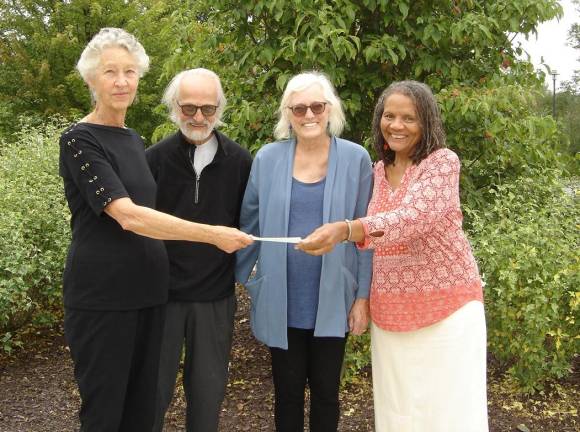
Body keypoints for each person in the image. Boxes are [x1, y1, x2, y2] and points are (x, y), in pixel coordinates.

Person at [58, 28, 252, 432]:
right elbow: (129, 215)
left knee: (141, 413)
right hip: (104, 298)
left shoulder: (130, 139)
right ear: (91, 78)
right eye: (110, 71)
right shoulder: (79, 139)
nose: (122, 81)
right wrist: (213, 234)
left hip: (148, 296)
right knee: (105, 412)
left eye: (130, 71)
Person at [298, 80, 488, 431]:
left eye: (409, 118)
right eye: (389, 116)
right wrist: (362, 297)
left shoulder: (442, 163)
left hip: (448, 310)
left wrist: (346, 229)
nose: (396, 125)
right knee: (398, 413)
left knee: (450, 413)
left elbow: (413, 219)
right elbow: (368, 246)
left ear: (426, 122)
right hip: (391, 313)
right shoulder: (375, 172)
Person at [235, 71, 373, 432]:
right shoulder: (267, 159)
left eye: (317, 106)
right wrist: (246, 278)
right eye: (299, 108)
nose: (309, 115)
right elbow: (248, 224)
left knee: (327, 393)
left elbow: (367, 233)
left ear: (330, 110)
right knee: (287, 394)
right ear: (288, 114)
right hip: (283, 299)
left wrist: (362, 297)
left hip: (332, 297)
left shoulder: (357, 159)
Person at [146, 68, 253, 432]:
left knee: (208, 395)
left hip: (214, 297)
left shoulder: (240, 161)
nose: (198, 117)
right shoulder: (153, 160)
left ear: (220, 108)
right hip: (161, 296)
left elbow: (249, 225)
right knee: (152, 392)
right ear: (174, 108)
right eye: (189, 108)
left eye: (208, 108)